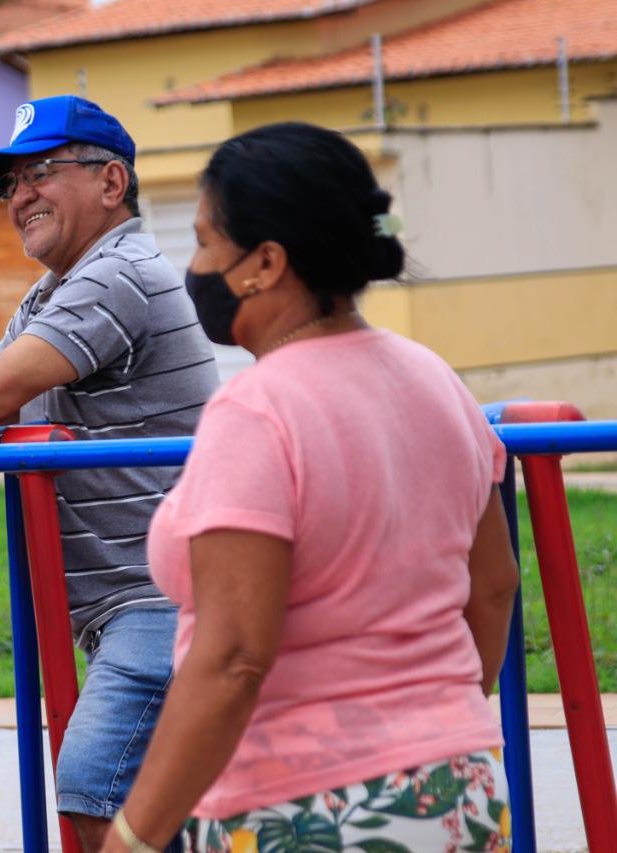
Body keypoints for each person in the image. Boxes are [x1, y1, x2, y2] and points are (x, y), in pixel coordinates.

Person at [101, 122, 521, 853]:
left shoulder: (257, 412)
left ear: (265, 262)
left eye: (204, 241)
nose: (193, 266)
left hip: (304, 806)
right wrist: (428, 725)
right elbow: (493, 585)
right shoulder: (436, 380)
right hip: (459, 786)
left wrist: (134, 836)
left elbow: (234, 658)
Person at [0, 95, 218, 852]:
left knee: (93, 782)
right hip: (129, 607)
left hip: (160, 598)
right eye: (12, 184)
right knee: (144, 805)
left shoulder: (120, 273)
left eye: (41, 172)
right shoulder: (56, 294)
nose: (21, 196)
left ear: (111, 183)